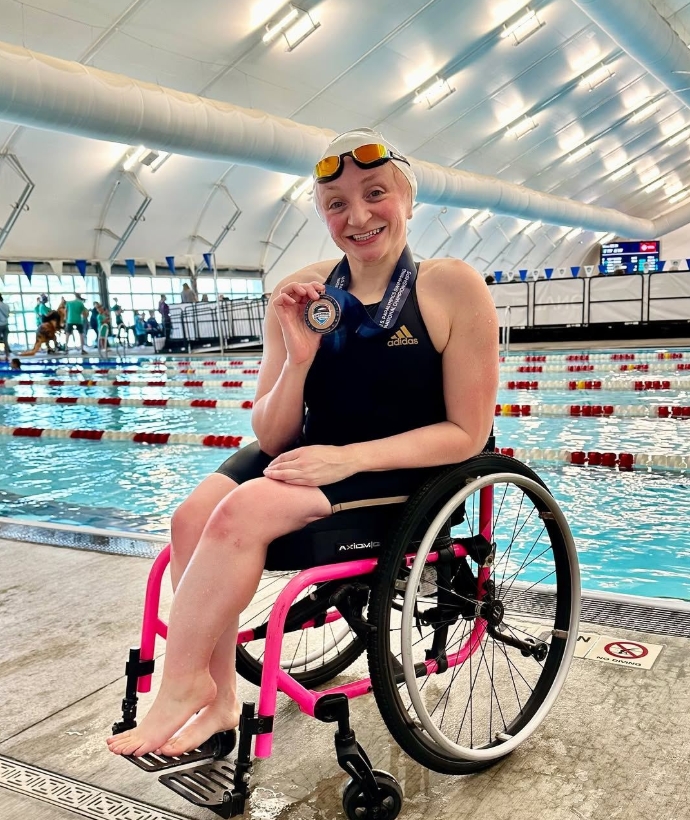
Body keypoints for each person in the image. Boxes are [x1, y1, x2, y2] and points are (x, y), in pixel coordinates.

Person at [107, 127, 498, 758]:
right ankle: (222, 703)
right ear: (322, 215)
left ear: (406, 199)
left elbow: (467, 433)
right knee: (190, 517)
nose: (359, 215)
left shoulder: (451, 286)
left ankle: (184, 686)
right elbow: (272, 433)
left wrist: (349, 459)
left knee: (241, 512)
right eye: (337, 203)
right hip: (311, 449)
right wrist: (297, 358)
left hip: (401, 465)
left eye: (376, 193)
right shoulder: (304, 289)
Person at [0, 294, 11, 362]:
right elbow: (8, 315)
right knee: (5, 341)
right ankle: (7, 355)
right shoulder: (6, 305)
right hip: (6, 325)